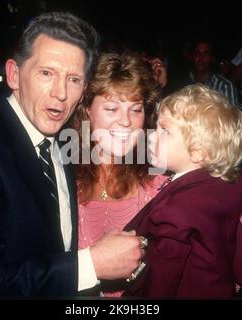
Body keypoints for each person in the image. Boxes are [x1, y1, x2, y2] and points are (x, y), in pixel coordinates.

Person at [0, 12, 143, 297]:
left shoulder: (62, 141)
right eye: (46, 73)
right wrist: (90, 265)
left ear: (83, 89)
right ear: (14, 74)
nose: (60, 93)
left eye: (73, 79)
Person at [123, 84, 242, 298]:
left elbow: (162, 276)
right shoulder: (230, 184)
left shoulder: (176, 211)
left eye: (165, 131)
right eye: (156, 127)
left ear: (198, 152)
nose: (152, 136)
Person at [74, 51, 165, 296]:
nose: (126, 121)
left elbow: (240, 225)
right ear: (87, 111)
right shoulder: (63, 180)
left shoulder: (158, 183)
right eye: (112, 108)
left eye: (136, 110)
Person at [187, 38, 238, 105]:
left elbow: (231, 115)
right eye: (197, 53)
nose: (201, 58)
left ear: (213, 59)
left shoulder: (224, 86)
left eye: (205, 54)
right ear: (191, 57)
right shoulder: (182, 82)